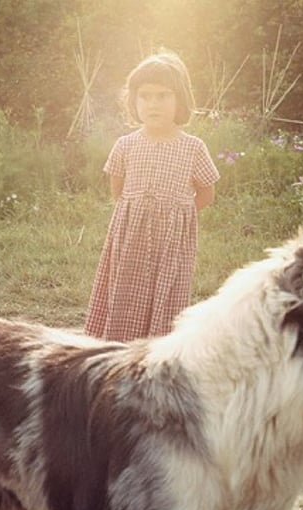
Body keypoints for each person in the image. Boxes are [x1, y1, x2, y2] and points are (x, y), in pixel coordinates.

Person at [84, 51, 220, 342]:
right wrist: (141, 214)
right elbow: (118, 192)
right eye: (145, 96)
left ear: (179, 100)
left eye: (163, 96)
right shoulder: (125, 145)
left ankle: (157, 352)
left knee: (166, 296)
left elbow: (207, 193)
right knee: (125, 289)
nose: (153, 104)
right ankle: (117, 346)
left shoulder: (193, 148)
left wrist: (177, 214)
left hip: (171, 243)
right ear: (133, 101)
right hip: (130, 238)